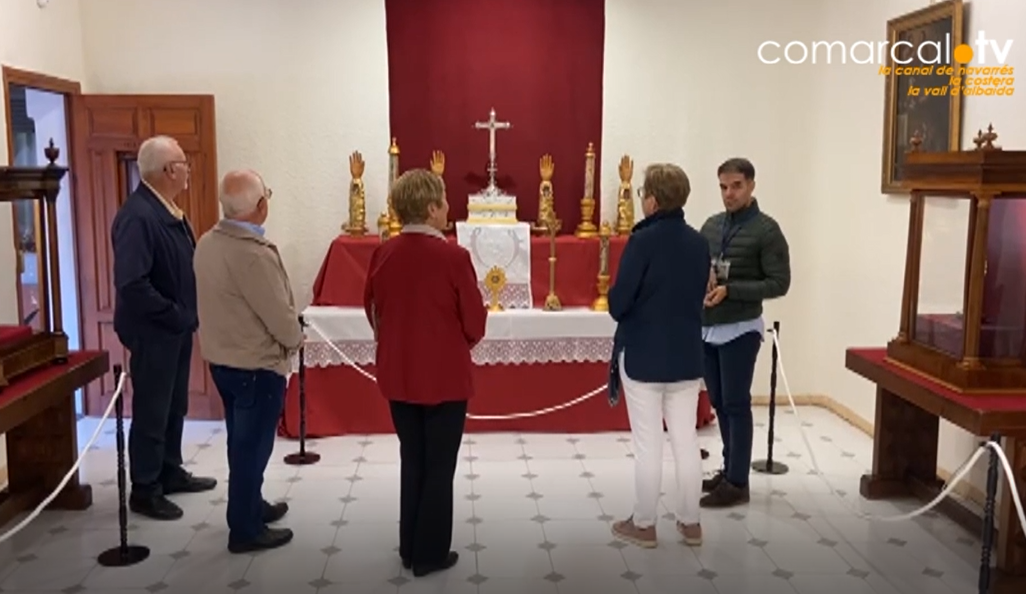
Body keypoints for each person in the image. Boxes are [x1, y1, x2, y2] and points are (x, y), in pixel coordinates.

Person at [364, 169, 487, 577]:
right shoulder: (454, 257)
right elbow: (475, 321)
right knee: (439, 465)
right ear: (432, 208)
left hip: (398, 374)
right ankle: (430, 554)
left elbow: (373, 310)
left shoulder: (384, 253)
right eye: (446, 200)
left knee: (412, 458)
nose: (449, 207)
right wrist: (454, 345)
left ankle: (408, 546)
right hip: (444, 378)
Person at [194, 169, 302, 553]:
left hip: (223, 360)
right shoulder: (251, 255)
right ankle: (245, 529)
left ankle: (251, 505)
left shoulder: (208, 242)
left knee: (240, 442)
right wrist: (296, 340)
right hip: (255, 364)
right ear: (260, 206)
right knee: (251, 447)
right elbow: (278, 314)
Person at [111, 135, 216, 521]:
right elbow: (133, 284)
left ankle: (170, 471)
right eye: (184, 163)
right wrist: (174, 312)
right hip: (155, 329)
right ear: (169, 170)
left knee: (174, 404)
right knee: (153, 408)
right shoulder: (138, 216)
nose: (188, 170)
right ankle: (145, 488)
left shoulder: (166, 209)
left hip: (176, 326)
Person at [607, 163, 710, 549]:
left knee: (649, 442)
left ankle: (645, 524)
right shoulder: (699, 242)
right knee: (684, 438)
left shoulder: (643, 241)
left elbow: (620, 303)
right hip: (686, 354)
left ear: (650, 200)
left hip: (644, 355)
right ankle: (691, 522)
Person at [699, 157, 791, 508]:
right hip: (708, 328)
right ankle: (730, 467)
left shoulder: (767, 231)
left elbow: (779, 283)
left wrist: (732, 290)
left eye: (736, 186)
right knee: (719, 402)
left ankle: (739, 482)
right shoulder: (710, 226)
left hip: (741, 329)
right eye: (723, 186)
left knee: (736, 404)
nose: (729, 194)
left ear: (751, 186)